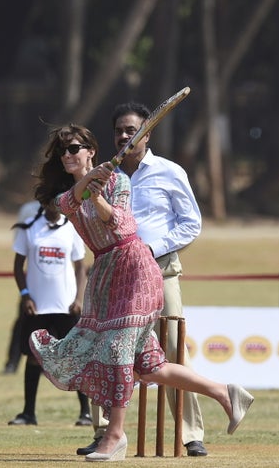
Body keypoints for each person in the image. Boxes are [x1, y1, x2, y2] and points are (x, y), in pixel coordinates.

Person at [28, 124, 254, 462]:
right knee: (149, 366)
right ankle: (225, 393)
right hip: (105, 273)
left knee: (118, 351)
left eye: (74, 148)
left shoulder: (119, 181)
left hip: (135, 267)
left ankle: (114, 436)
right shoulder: (65, 195)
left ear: (91, 150)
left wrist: (101, 192)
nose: (67, 155)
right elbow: (71, 202)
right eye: (62, 151)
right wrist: (91, 183)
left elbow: (119, 224)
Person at [77, 102, 208, 457]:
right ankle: (104, 432)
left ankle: (190, 433)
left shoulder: (169, 172)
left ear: (147, 134)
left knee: (171, 347)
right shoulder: (104, 176)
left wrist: (152, 248)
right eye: (119, 130)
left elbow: (190, 223)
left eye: (131, 130)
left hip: (159, 271)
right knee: (102, 348)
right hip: (113, 277)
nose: (123, 136)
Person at [7, 202, 92, 427]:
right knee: (34, 357)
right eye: (48, 200)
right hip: (37, 307)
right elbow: (17, 267)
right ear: (42, 202)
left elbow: (80, 267)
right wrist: (26, 296)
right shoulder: (29, 228)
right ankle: (28, 413)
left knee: (75, 356)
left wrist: (79, 299)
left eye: (58, 200)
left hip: (66, 307)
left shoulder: (72, 228)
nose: (54, 205)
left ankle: (85, 413)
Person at [3, 200, 40, 374]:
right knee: (22, 323)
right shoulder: (28, 210)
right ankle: (12, 363)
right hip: (33, 277)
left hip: (59, 279)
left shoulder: (69, 205)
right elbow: (18, 243)